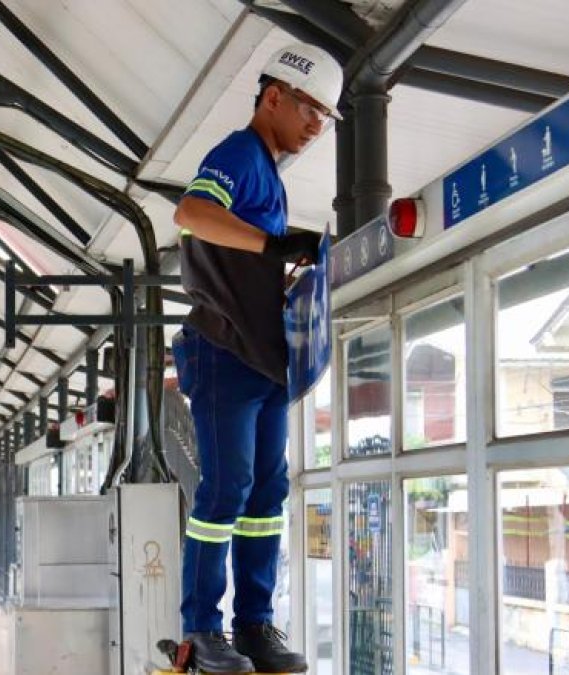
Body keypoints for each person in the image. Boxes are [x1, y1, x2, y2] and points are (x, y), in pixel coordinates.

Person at [172, 41, 342, 675]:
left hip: (267, 359)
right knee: (228, 488)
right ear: (275, 97)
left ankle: (253, 624)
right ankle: (202, 627)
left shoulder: (270, 173)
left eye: (325, 117)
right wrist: (275, 244)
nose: (316, 127)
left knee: (267, 491)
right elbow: (190, 213)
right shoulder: (239, 154)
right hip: (224, 351)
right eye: (310, 111)